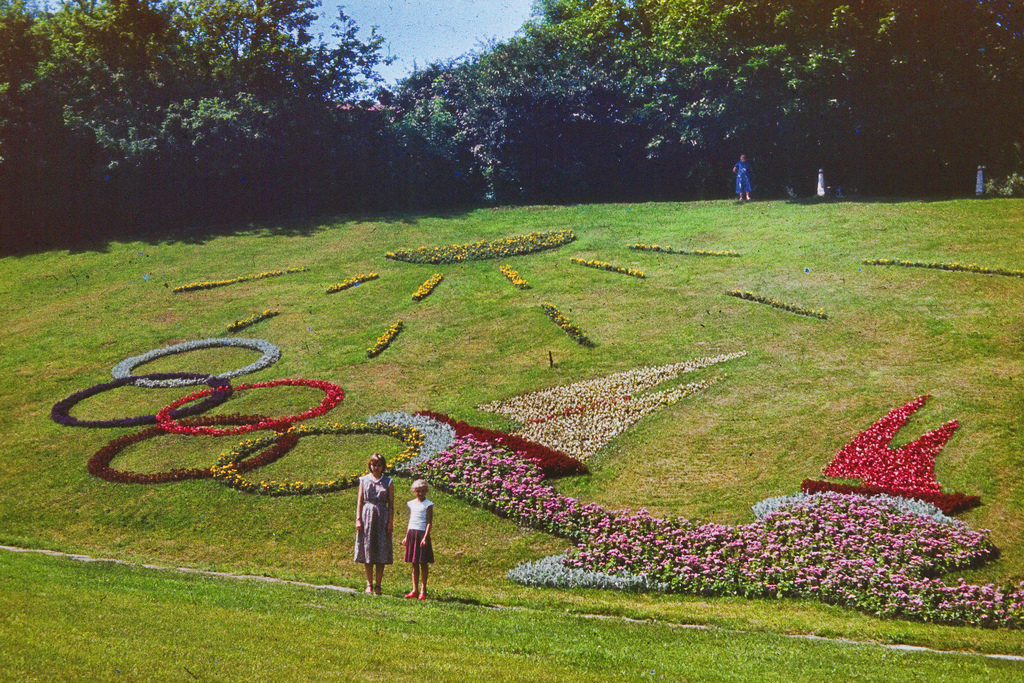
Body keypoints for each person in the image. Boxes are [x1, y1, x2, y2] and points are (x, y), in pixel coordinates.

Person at [354, 452, 394, 595]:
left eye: (379, 465)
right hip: (367, 516)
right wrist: (358, 518)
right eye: (373, 465)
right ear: (370, 465)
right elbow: (359, 501)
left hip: (382, 517)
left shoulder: (388, 482)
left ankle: (378, 585)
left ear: (383, 466)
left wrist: (390, 522)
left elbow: (391, 505)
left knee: (381, 549)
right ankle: (369, 584)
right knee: (368, 549)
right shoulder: (364, 480)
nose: (376, 467)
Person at [401, 479, 435, 600]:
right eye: (418, 491)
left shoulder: (428, 504)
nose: (420, 493)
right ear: (414, 491)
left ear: (426, 491)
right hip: (412, 533)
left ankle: (423, 590)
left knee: (423, 563)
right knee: (414, 563)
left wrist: (425, 537)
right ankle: (414, 590)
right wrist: (406, 536)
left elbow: (429, 522)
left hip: (422, 534)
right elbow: (411, 521)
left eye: (422, 491)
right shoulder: (411, 503)